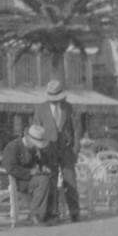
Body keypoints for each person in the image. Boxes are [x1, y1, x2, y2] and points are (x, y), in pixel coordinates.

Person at [33, 79, 83, 222]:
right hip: (48, 151)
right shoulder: (40, 109)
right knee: (51, 181)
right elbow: (36, 130)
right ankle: (53, 213)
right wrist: (39, 151)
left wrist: (76, 149)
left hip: (66, 150)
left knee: (70, 181)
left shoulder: (69, 108)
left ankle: (75, 212)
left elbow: (77, 130)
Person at [1, 125, 54, 225]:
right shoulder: (13, 147)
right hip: (14, 181)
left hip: (27, 180)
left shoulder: (32, 148)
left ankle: (42, 213)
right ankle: (35, 214)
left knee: (48, 178)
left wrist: (42, 167)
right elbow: (9, 168)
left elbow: (36, 162)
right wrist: (29, 172)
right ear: (28, 138)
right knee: (43, 180)